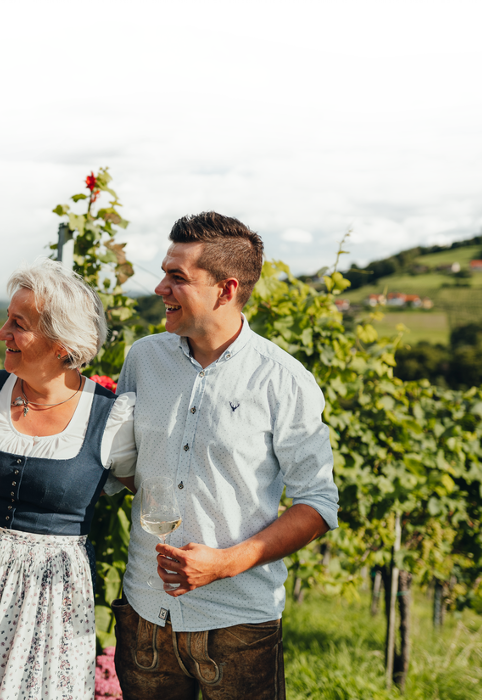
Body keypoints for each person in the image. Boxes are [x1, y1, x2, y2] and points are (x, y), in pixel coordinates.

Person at [112, 212, 339, 699]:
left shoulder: (283, 380)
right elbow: (132, 466)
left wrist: (225, 563)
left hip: (238, 625)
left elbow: (317, 504)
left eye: (178, 278)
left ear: (225, 289)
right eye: (164, 273)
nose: (160, 288)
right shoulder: (143, 359)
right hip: (145, 612)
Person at [0, 259, 137, 700]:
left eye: (17, 324)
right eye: (6, 318)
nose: (3, 332)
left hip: (51, 592)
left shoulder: (112, 417)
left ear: (62, 344)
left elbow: (152, 493)